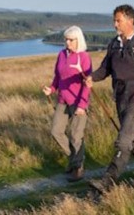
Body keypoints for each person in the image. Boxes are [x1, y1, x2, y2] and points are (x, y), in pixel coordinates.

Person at [86, 4, 134, 192]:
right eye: (114, 20)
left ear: (130, 20)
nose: (115, 24)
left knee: (123, 141)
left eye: (118, 20)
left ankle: (108, 182)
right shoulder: (114, 44)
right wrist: (92, 78)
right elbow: (105, 69)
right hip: (120, 97)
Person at [43, 25, 92, 182]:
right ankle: (74, 159)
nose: (67, 43)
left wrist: (82, 105)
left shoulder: (84, 57)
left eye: (71, 40)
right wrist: (51, 89)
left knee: (76, 136)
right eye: (66, 39)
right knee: (56, 131)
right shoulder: (62, 55)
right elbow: (58, 76)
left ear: (78, 40)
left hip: (79, 102)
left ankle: (78, 168)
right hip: (62, 100)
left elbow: (87, 83)